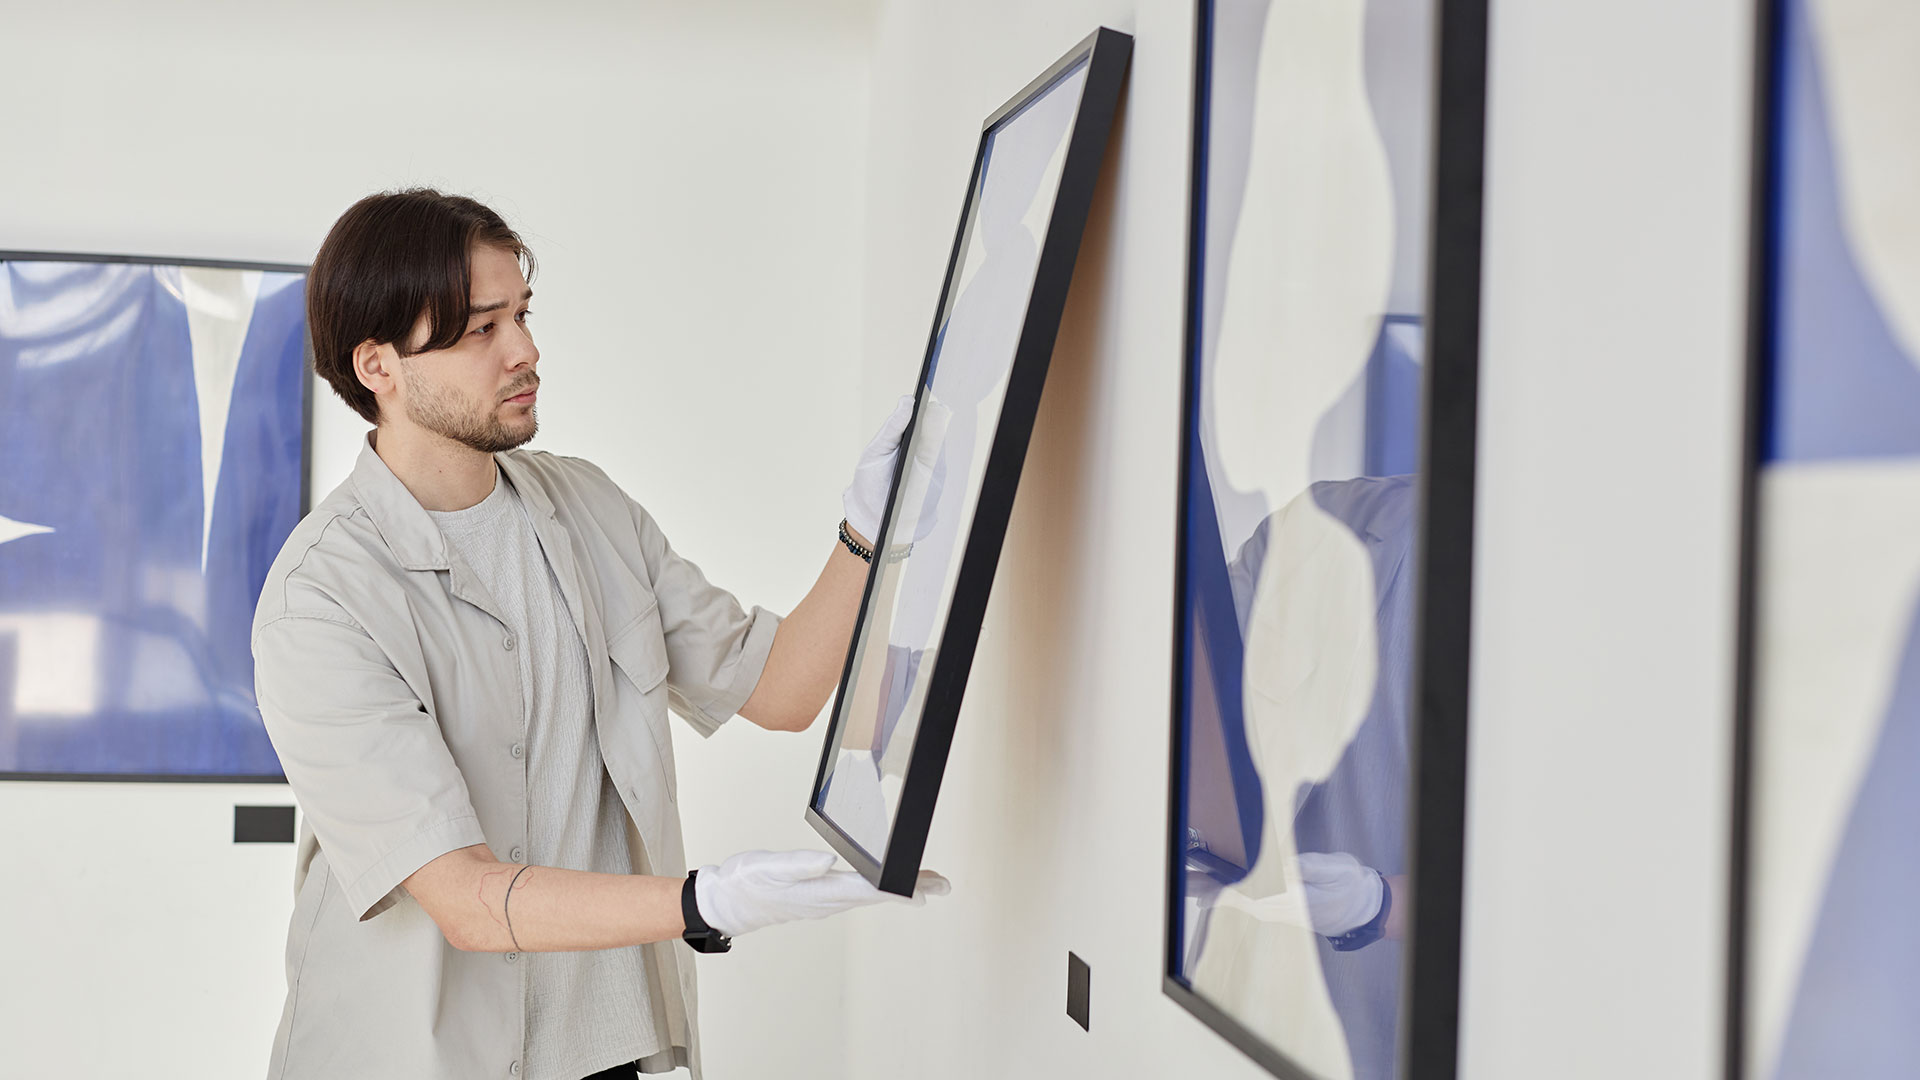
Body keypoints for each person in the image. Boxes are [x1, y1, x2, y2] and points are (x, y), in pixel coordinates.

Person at [252, 188, 946, 1080]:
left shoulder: (589, 510)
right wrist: (705, 900)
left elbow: (780, 687)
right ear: (379, 365)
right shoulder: (322, 598)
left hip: (612, 1057)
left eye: (523, 315)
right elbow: (463, 899)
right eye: (479, 329)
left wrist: (866, 535)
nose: (525, 351)